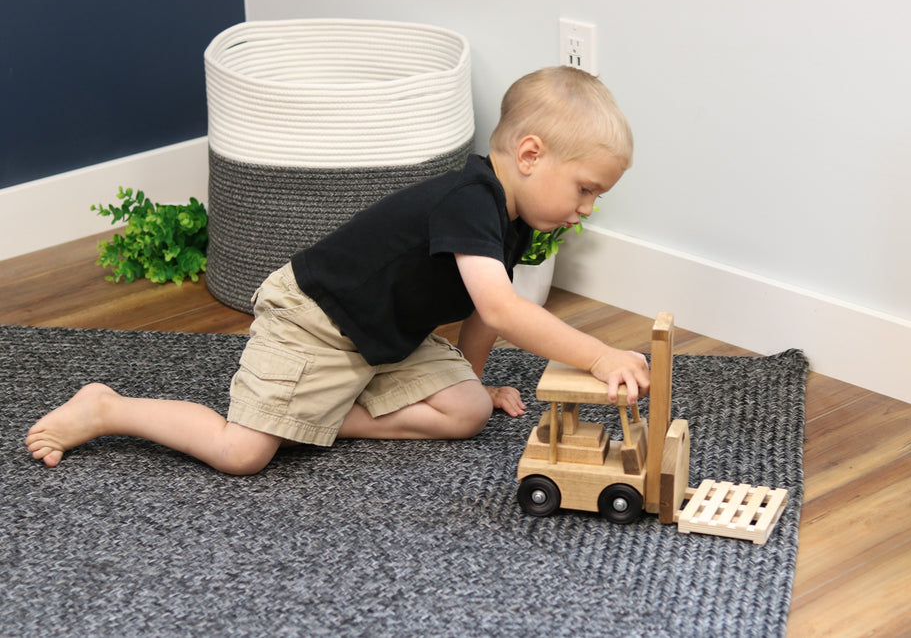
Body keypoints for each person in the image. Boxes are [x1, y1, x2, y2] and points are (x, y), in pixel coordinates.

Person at [25, 66, 650, 475]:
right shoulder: (470, 199)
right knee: (240, 453)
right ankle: (108, 408)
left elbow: (481, 311)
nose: (586, 209)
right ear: (531, 155)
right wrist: (597, 355)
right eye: (586, 190)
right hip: (316, 321)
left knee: (466, 413)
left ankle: (312, 412)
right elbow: (501, 310)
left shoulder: (515, 222)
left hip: (385, 340)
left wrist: (474, 380)